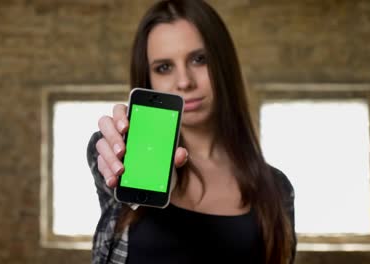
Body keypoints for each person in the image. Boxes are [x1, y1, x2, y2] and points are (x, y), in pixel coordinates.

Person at [86, 0, 296, 263]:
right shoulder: (122, 150)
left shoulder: (277, 189)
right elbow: (120, 187)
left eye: (199, 59)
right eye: (164, 67)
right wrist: (144, 168)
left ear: (224, 65)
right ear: (148, 79)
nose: (184, 82)